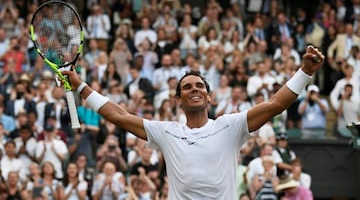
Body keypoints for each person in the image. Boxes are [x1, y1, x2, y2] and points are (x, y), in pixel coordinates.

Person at [63, 46, 324, 199]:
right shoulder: (167, 131)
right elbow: (119, 116)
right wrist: (81, 86)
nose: (194, 89)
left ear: (209, 96)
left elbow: (275, 105)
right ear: (178, 99)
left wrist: (305, 73)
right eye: (187, 87)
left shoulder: (230, 125)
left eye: (199, 85)